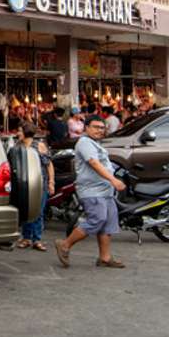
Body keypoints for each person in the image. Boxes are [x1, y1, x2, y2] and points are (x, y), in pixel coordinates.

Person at [55, 114, 126, 269]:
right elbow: (93, 162)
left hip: (105, 191)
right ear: (86, 128)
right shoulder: (85, 142)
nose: (99, 130)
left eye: (102, 128)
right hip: (92, 191)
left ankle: (105, 258)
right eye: (95, 127)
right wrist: (113, 180)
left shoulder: (95, 143)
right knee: (97, 219)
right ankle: (65, 244)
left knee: (108, 224)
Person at [14, 124, 55, 251]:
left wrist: (51, 182)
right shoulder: (18, 146)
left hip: (40, 183)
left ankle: (37, 239)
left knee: (38, 212)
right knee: (26, 211)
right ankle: (26, 238)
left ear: (26, 132)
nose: (18, 134)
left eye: (20, 131)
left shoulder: (38, 146)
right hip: (25, 185)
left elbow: (48, 164)